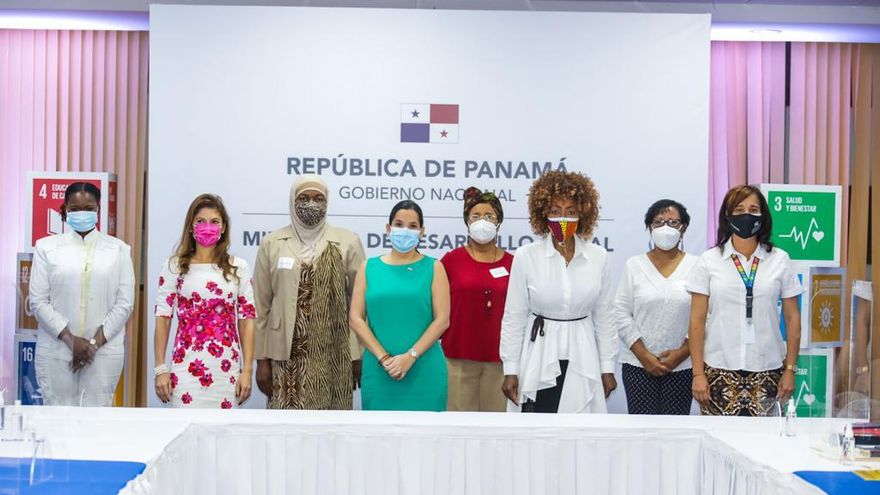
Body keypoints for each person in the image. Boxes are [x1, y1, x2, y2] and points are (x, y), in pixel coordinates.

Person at [500, 171, 617, 413]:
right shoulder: (526, 256)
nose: (563, 218)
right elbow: (514, 316)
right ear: (543, 214)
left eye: (571, 211)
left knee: (579, 426)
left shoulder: (599, 257)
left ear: (583, 214)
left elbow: (605, 317)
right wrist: (510, 369)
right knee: (538, 427)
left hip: (583, 354)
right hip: (540, 354)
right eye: (555, 211)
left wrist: (607, 367)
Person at [688, 185, 803, 416]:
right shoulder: (709, 260)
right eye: (739, 210)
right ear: (727, 215)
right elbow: (696, 321)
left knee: (764, 438)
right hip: (718, 369)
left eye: (753, 209)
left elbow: (792, 319)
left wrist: (790, 370)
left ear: (763, 215)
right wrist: (698, 373)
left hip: (768, 369)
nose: (746, 215)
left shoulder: (780, 259)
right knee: (718, 438)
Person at [253, 175, 365, 410]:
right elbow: (261, 306)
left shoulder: (348, 241)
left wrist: (358, 354)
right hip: (284, 355)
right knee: (286, 425)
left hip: (334, 354)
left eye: (318, 198)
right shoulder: (272, 243)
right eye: (303, 198)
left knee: (330, 424)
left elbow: (359, 305)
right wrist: (261, 360)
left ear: (327, 202)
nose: (311, 204)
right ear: (292, 201)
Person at [29, 182, 134, 406]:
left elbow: (125, 304)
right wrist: (70, 339)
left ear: (98, 209)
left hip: (103, 354)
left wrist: (93, 345)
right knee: (56, 418)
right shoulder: (46, 248)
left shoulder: (119, 250)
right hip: (56, 351)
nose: (82, 213)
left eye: (89, 208)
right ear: (65, 209)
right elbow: (38, 302)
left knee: (97, 419)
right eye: (75, 209)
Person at [154, 194, 255, 408]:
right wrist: (160, 369)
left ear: (223, 227)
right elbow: (163, 317)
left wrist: (247, 371)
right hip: (185, 369)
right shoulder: (174, 266)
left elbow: (247, 320)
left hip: (227, 371)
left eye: (214, 221)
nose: (207, 227)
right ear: (191, 226)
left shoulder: (239, 267)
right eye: (200, 221)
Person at [349, 200, 450, 411]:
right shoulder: (369, 267)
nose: (405, 230)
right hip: (379, 370)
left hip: (424, 369)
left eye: (413, 226)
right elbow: (356, 319)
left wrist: (410, 356)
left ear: (422, 232)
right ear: (388, 228)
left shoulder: (434, 267)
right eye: (399, 224)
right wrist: (384, 358)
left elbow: (442, 320)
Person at [613, 199, 697, 415]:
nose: (665, 228)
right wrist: (644, 356)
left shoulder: (698, 266)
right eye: (658, 222)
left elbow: (705, 315)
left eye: (673, 222)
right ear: (649, 228)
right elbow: (620, 312)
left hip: (683, 365)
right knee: (642, 430)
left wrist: (682, 353)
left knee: (676, 430)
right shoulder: (634, 266)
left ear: (683, 228)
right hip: (638, 365)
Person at [440, 188, 513, 412]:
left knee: (496, 426)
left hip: (501, 362)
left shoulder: (514, 263)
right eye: (476, 216)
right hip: (458, 359)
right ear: (467, 222)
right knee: (458, 425)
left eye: (489, 216)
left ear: (499, 222)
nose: (483, 221)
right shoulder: (451, 261)